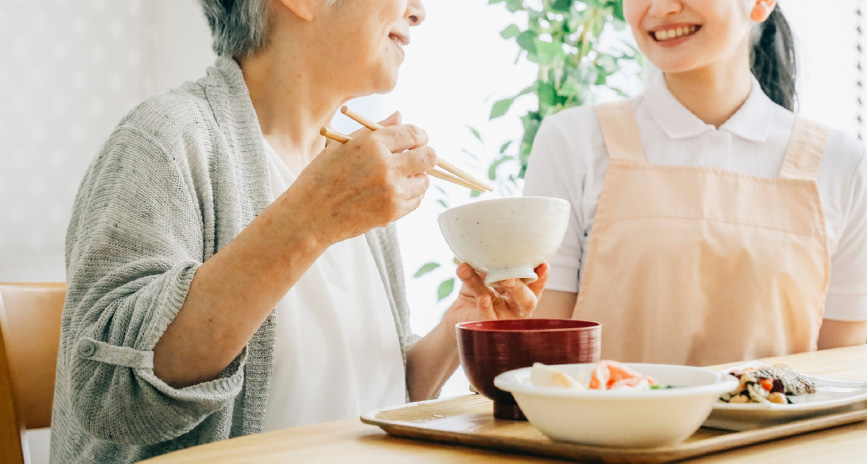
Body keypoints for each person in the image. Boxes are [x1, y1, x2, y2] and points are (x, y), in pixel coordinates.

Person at [51, 0, 548, 461]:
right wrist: (313, 219)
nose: (418, 11)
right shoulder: (167, 138)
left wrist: (459, 323)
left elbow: (373, 399)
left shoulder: (351, 171)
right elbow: (109, 394)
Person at [524, 0, 867, 366]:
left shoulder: (841, 163)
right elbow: (545, 362)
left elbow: (842, 375)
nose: (660, 8)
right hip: (604, 423)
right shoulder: (571, 142)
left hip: (781, 425)